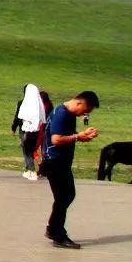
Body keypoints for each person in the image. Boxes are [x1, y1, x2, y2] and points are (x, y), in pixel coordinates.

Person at [40, 91, 100, 249]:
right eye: (86, 110)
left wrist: (81, 134)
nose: (85, 114)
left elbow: (65, 134)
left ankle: (54, 229)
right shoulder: (62, 114)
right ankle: (57, 234)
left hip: (60, 161)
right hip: (54, 161)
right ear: (79, 103)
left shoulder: (67, 114)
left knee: (66, 196)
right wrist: (78, 137)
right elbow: (56, 139)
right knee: (63, 197)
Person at [15, 83, 45, 181]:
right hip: (37, 130)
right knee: (29, 150)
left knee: (27, 150)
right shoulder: (38, 104)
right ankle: (29, 170)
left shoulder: (25, 104)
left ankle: (31, 171)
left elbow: (19, 117)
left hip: (28, 130)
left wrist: (14, 127)